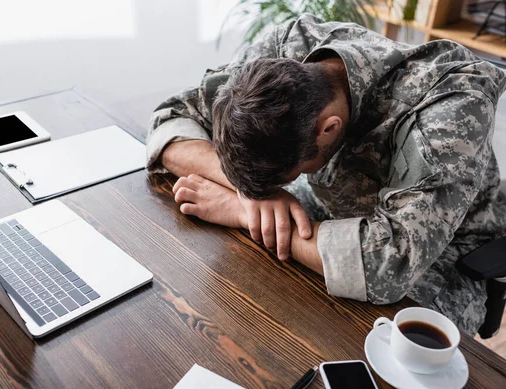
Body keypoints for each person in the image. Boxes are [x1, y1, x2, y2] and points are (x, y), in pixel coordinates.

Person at [145, 13, 506, 336]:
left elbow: (387, 265)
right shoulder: (287, 50)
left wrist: (242, 212)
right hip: (333, 210)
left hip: (443, 256)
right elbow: (170, 118)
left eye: (282, 179)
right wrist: (252, 192)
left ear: (327, 129)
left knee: (352, 342)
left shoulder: (450, 109)